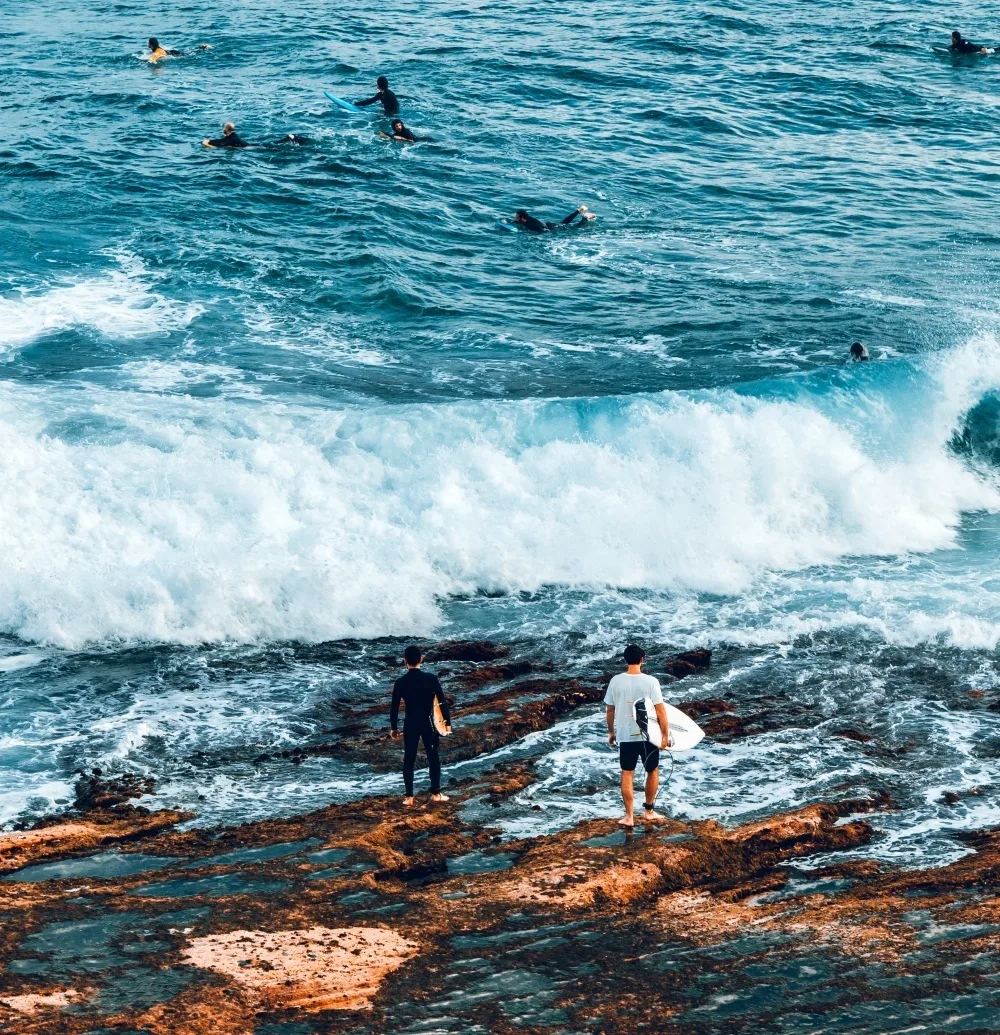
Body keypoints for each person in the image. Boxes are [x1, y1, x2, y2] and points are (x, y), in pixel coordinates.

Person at [605, 644, 669, 827]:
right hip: (649, 735)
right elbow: (660, 711)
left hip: (625, 735)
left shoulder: (615, 681)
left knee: (627, 774)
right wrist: (665, 735)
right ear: (643, 659)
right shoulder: (651, 681)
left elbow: (610, 710)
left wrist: (611, 732)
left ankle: (629, 817)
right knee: (652, 770)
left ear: (625, 660)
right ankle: (649, 812)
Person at [390, 645, 451, 807]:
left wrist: (394, 727)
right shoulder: (431, 679)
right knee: (433, 757)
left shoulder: (400, 682)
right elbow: (442, 702)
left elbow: (394, 707)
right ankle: (436, 793)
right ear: (421, 660)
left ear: (405, 661)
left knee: (409, 759)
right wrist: (448, 722)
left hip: (410, 724)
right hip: (428, 723)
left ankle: (409, 797)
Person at [513, 205, 596, 233]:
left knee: (574, 227)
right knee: (564, 223)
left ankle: (585, 218)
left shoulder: (530, 224)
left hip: (552, 228)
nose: (515, 219)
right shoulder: (527, 220)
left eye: (516, 217)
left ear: (522, 218)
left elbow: (542, 230)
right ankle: (578, 210)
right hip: (550, 224)